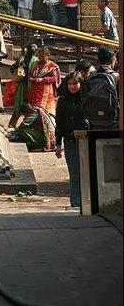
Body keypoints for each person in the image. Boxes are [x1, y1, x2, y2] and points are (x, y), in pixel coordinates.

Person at [55, 72, 87, 208]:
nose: (72, 87)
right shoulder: (62, 101)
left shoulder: (86, 100)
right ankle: (75, 202)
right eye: (69, 84)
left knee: (86, 173)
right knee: (74, 175)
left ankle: (86, 201)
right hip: (69, 141)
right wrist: (57, 144)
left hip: (85, 141)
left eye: (75, 83)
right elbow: (60, 123)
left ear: (81, 84)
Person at [82, 47, 119, 130]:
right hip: (113, 123)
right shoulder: (116, 77)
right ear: (112, 60)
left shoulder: (90, 77)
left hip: (94, 122)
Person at [8, 42, 39, 128]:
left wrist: (20, 70)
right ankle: (30, 124)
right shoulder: (36, 61)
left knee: (18, 106)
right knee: (31, 106)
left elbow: (12, 69)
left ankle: (12, 124)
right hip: (32, 87)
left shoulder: (21, 59)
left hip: (21, 87)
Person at [28, 45, 60, 116]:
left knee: (44, 110)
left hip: (46, 91)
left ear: (48, 56)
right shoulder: (35, 64)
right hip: (34, 91)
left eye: (43, 56)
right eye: (39, 56)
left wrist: (43, 79)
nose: (40, 58)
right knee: (33, 109)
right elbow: (30, 74)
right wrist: (31, 79)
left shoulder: (52, 66)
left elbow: (54, 78)